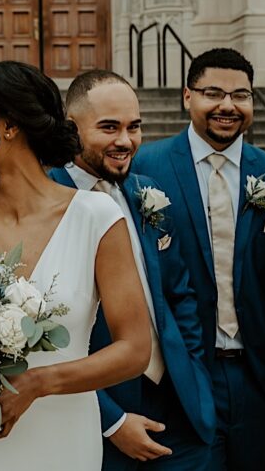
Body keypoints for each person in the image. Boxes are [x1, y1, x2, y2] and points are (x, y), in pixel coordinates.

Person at [0, 61, 152, 470]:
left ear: (8, 124)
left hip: (63, 439)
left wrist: (36, 384)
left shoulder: (95, 217)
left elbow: (134, 350)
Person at [133, 48, 265, 471]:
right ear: (187, 97)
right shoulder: (143, 169)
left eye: (241, 95)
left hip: (259, 376)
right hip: (179, 377)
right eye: (214, 93)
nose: (228, 105)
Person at [50, 71, 213, 469]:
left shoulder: (147, 193)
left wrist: (192, 370)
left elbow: (179, 293)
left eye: (134, 127)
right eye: (109, 127)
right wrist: (112, 421)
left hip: (177, 404)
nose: (125, 141)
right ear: (71, 129)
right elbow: (38, 340)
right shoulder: (44, 202)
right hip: (94, 414)